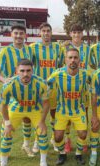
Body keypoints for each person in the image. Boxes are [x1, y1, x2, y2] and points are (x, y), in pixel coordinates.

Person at [0, 59, 50, 166]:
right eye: (22, 71)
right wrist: (7, 123)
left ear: (33, 70)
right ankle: (3, 165)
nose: (25, 74)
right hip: (16, 108)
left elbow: (46, 103)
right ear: (16, 71)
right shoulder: (8, 85)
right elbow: (3, 105)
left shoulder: (41, 83)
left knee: (42, 132)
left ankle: (43, 162)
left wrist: (42, 121)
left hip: (34, 109)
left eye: (28, 71)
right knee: (6, 133)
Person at [0, 24, 35, 157]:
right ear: (11, 34)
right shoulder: (5, 51)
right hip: (11, 93)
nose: (18, 36)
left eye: (21, 33)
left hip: (27, 91)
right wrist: (4, 80)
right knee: (7, 122)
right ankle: (3, 153)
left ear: (25, 35)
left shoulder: (29, 50)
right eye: (16, 33)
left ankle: (26, 145)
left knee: (27, 118)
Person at [47, 48, 89, 166]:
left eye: (75, 57)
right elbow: (45, 85)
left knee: (83, 134)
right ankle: (62, 153)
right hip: (62, 110)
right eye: (70, 57)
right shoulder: (57, 74)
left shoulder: (85, 74)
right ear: (65, 60)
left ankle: (78, 154)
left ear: (79, 60)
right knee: (58, 136)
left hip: (78, 110)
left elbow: (96, 83)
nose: (73, 60)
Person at [59, 24, 91, 153]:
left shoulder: (88, 49)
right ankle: (67, 141)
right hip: (67, 87)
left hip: (83, 88)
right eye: (74, 32)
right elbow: (60, 65)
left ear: (82, 34)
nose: (77, 35)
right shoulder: (64, 48)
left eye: (79, 32)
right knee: (66, 116)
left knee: (84, 115)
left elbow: (94, 63)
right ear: (70, 34)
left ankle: (82, 141)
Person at [30, 22, 61, 153]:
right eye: (44, 31)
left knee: (54, 115)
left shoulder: (58, 48)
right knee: (40, 116)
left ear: (51, 32)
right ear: (40, 33)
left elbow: (62, 65)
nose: (46, 33)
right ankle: (37, 140)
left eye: (48, 31)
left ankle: (54, 139)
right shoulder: (33, 47)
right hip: (39, 88)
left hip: (54, 88)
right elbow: (27, 66)